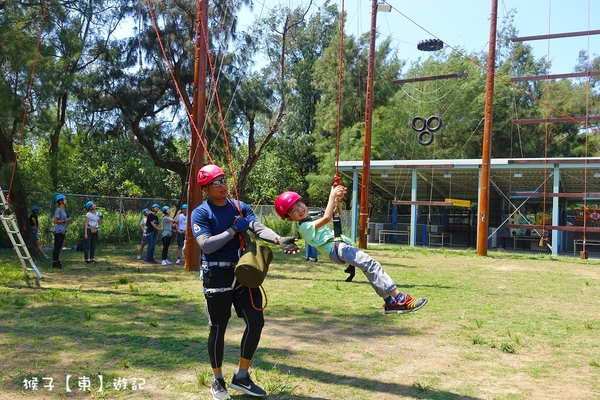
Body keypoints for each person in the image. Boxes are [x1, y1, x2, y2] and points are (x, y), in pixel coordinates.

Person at [191, 164, 299, 400]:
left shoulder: (239, 206)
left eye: (223, 179)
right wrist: (232, 230)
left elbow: (257, 227)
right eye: (216, 182)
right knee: (218, 327)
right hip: (216, 276)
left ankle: (241, 376)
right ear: (206, 188)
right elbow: (207, 244)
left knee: (256, 321)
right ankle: (217, 380)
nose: (222, 184)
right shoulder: (201, 213)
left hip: (244, 274)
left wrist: (278, 239)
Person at [274, 186, 428, 315]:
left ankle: (389, 301)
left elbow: (335, 214)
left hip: (338, 248)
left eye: (299, 204)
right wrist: (332, 195)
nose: (300, 209)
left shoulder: (309, 221)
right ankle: (400, 299)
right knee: (372, 265)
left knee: (368, 268)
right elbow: (328, 218)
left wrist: (337, 200)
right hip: (337, 248)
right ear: (290, 218)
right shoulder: (304, 227)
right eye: (294, 210)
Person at [51, 194, 71, 269]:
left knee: (59, 247)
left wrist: (64, 232)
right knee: (57, 247)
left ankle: (56, 261)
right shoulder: (58, 210)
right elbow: (55, 221)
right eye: (64, 199)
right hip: (58, 231)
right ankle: (55, 263)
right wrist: (66, 220)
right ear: (60, 201)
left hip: (62, 231)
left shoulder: (63, 210)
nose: (66, 200)